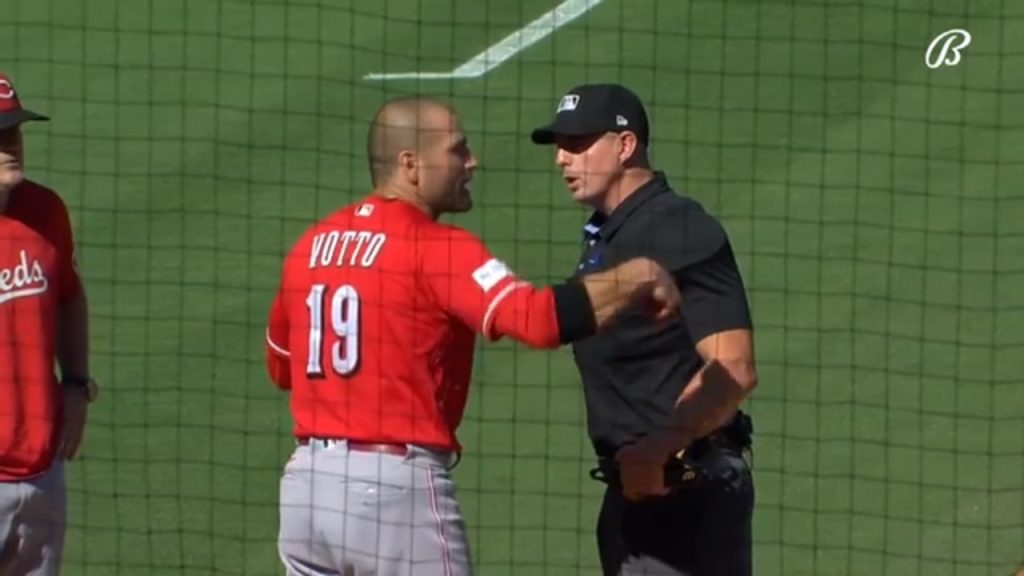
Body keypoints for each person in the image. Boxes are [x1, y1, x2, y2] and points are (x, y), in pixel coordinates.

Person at [264, 95, 682, 576]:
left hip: (306, 493)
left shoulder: (311, 247)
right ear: (411, 164)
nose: (472, 161)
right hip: (391, 494)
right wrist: (634, 277)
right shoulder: (436, 248)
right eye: (458, 151)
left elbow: (282, 366)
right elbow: (537, 320)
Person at [530, 83, 760, 576]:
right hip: (636, 495)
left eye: (577, 145)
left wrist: (660, 446)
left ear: (626, 145)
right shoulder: (609, 232)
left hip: (686, 495)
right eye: (559, 148)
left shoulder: (676, 225)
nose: (562, 160)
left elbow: (734, 367)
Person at [0, 73, 98, 575]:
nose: (11, 146)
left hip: (42, 467)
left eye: (14, 131)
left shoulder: (46, 212)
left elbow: (68, 298)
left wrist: (77, 383)